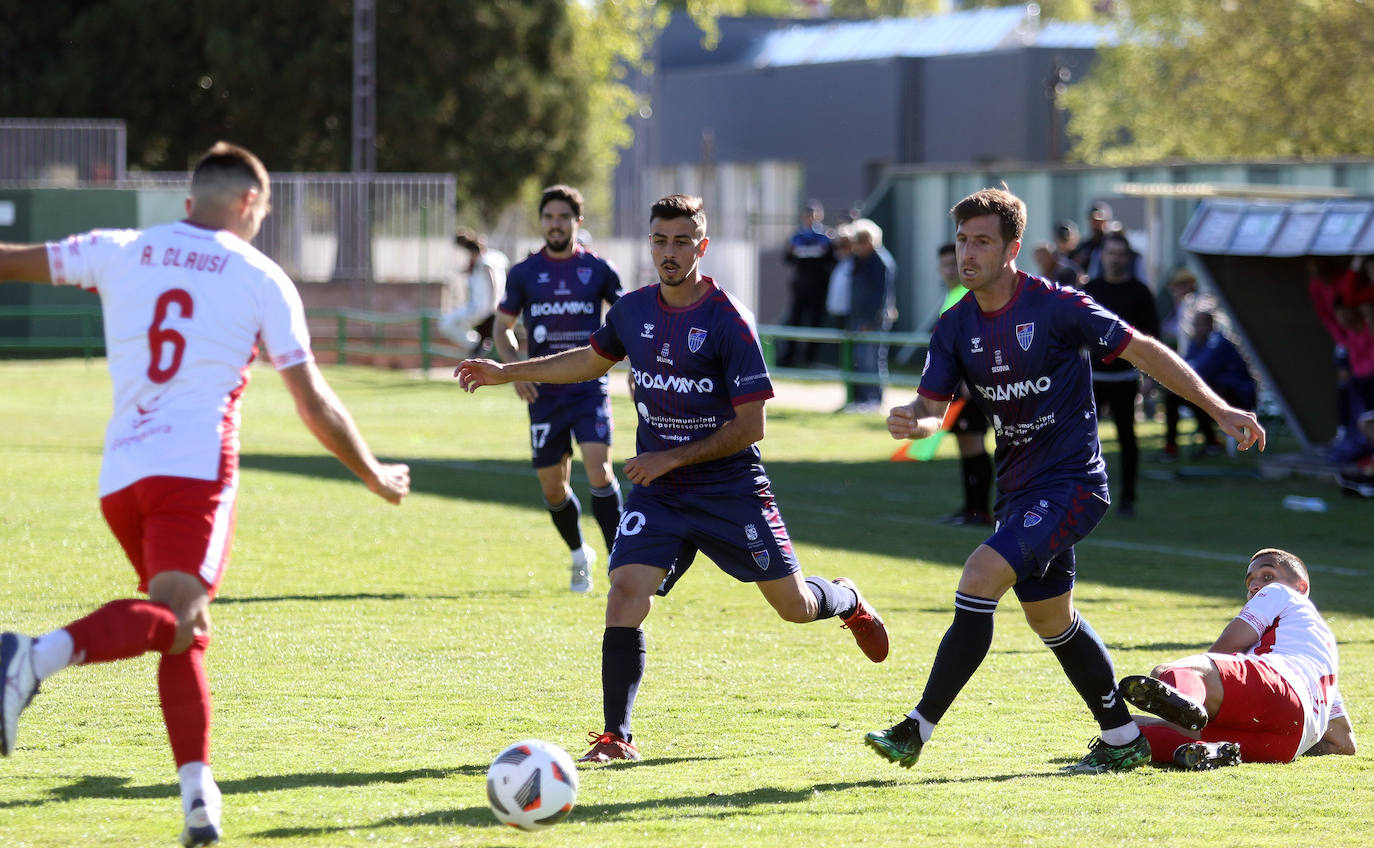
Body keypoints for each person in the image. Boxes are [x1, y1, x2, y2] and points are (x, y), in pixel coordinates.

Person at [0, 141, 411, 846]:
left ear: (190, 201)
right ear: (250, 203)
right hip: (194, 472)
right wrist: (373, 472)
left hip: (120, 478)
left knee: (181, 628)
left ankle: (198, 795)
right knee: (180, 617)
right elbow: (312, 402)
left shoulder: (120, 247)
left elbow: (10, 261)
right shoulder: (260, 276)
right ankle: (31, 656)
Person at [456, 193, 889, 764]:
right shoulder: (633, 311)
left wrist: (671, 458)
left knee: (794, 607)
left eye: (682, 241)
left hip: (730, 490)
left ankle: (847, 598)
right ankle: (617, 736)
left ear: (701, 247)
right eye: (660, 240)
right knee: (625, 593)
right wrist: (503, 370)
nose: (669, 251)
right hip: (660, 493)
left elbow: (752, 425)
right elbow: (588, 361)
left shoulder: (727, 319)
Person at [865, 187, 1265, 774]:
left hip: (1075, 483)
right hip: (1021, 492)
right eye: (962, 240)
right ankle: (1123, 736)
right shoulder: (954, 325)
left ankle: (915, 729)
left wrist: (1219, 409)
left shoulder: (1057, 307)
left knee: (980, 576)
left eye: (981, 241)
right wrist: (913, 419)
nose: (967, 253)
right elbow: (932, 407)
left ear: (1012, 250)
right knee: (1051, 619)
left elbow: (1145, 350)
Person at [494, 184, 624, 593]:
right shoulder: (524, 273)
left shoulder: (600, 270)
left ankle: (621, 564)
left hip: (590, 386)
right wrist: (516, 370)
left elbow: (626, 320)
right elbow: (502, 328)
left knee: (600, 472)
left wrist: (637, 365)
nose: (555, 224)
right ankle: (578, 554)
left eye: (563, 217)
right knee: (553, 486)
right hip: (544, 394)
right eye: (549, 217)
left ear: (577, 222)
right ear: (542, 221)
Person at [1120, 547, 1355, 769]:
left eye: (1266, 576)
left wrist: (1197, 683)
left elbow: (1226, 647)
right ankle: (1213, 750)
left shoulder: (1281, 593)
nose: (1255, 585)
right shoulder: (1317, 654)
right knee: (1129, 734)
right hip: (1286, 745)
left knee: (1172, 672)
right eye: (1250, 581)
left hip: (1277, 688)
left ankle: (1188, 705)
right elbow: (1343, 742)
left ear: (1300, 587)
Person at [1084, 232, 1160, 518]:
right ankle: (1084, 497)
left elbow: (1153, 338)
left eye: (1120, 253)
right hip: (1091, 378)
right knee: (1084, 440)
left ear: (1128, 258)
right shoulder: (1090, 290)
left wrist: (1151, 377)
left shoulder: (1140, 293)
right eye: (1110, 252)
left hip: (1124, 379)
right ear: (1102, 256)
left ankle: (1128, 498)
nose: (1115, 258)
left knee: (1127, 438)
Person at [931, 241, 992, 526]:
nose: (948, 269)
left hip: (971, 386)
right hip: (957, 385)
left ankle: (980, 511)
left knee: (974, 444)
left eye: (951, 263)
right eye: (943, 264)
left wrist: (969, 380)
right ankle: (970, 508)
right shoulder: (953, 295)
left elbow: (976, 342)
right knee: (965, 446)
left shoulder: (968, 296)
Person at [1163, 309, 1257, 458]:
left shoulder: (1218, 342)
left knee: (1197, 394)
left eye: (1200, 325)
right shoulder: (1197, 343)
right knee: (1174, 395)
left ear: (1210, 325)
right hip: (1215, 395)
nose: (1197, 329)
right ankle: (1172, 448)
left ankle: (1212, 443)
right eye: (1195, 325)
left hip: (1238, 397)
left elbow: (1201, 370)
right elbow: (1186, 366)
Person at [843, 218, 897, 412]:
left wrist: (869, 320)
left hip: (873, 320)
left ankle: (874, 400)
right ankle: (861, 398)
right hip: (859, 317)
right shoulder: (860, 260)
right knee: (860, 359)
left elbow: (880, 295)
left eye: (859, 242)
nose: (855, 247)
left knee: (872, 360)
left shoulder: (880, 261)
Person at [778, 200, 834, 368]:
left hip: (819, 287)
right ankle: (789, 358)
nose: (812, 218)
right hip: (800, 287)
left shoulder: (826, 236)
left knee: (816, 323)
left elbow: (831, 259)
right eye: (809, 215)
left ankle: (810, 359)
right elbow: (787, 259)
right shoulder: (797, 236)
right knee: (795, 322)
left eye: (815, 215)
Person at [437, 227, 509, 356]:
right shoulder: (495, 258)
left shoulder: (485, 262)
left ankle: (477, 344)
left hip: (481, 309)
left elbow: (491, 279)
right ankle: (480, 344)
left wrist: (493, 303)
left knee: (446, 323)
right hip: (492, 308)